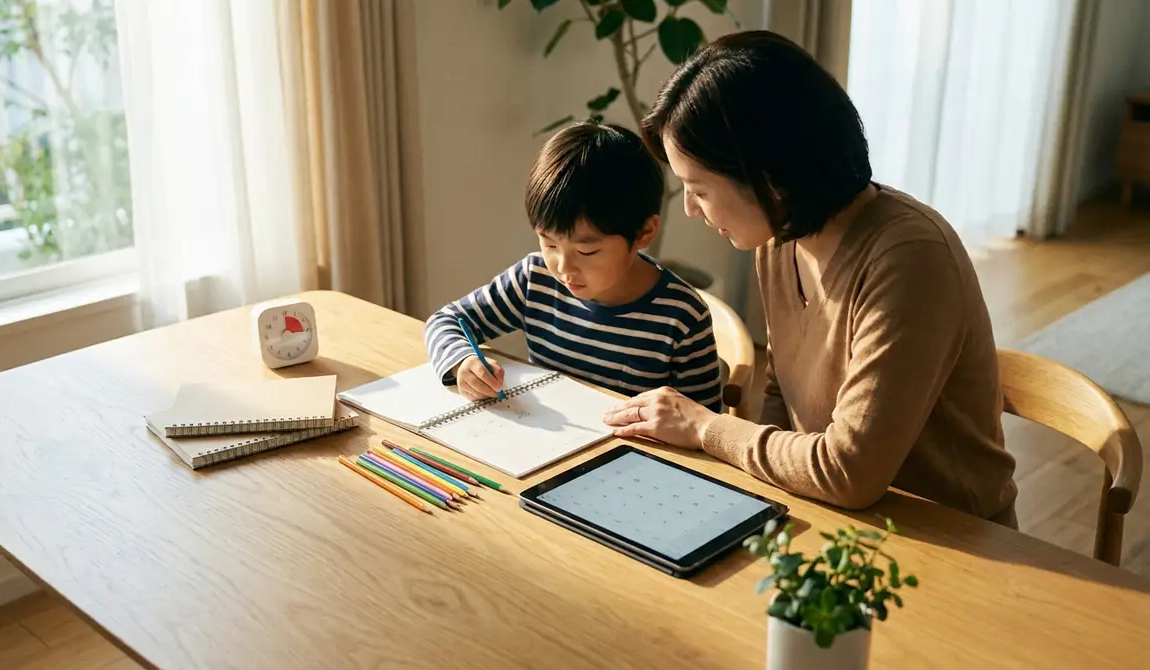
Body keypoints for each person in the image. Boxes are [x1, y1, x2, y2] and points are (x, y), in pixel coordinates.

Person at [601, 30, 1020, 528]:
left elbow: (850, 472)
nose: (690, 209)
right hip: (833, 519)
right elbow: (786, 396)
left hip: (947, 539)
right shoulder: (782, 239)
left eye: (699, 190)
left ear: (770, 177)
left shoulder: (911, 259)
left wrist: (706, 427)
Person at [424, 121, 723, 413]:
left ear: (644, 233)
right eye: (549, 244)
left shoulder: (682, 317)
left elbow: (704, 427)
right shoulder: (534, 279)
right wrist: (461, 361)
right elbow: (445, 320)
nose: (564, 267)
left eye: (587, 250)